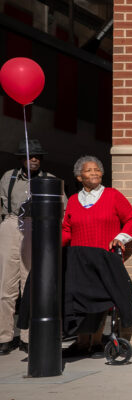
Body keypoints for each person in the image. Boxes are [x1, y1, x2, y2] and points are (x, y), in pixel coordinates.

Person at [61, 156, 132, 356]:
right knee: (79, 299)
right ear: (79, 177)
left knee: (100, 300)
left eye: (97, 169)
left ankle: (96, 342)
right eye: (89, 170)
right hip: (79, 260)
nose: (94, 173)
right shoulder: (72, 200)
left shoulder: (112, 195)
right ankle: (81, 342)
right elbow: (67, 230)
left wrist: (120, 238)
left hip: (104, 258)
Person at [1, 139, 62, 355]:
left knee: (31, 282)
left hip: (36, 225)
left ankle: (29, 336)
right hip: (11, 222)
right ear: (21, 158)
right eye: (29, 156)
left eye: (37, 156)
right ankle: (5, 336)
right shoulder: (9, 177)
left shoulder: (51, 180)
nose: (33, 159)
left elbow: (60, 211)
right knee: (5, 284)